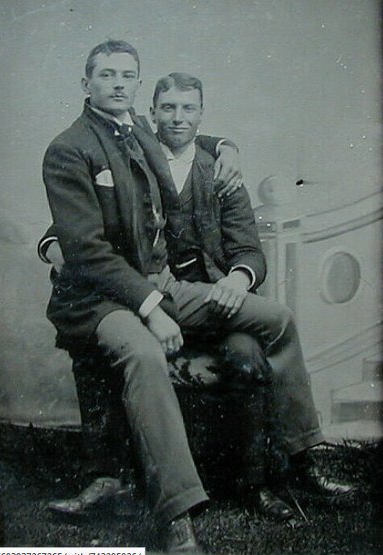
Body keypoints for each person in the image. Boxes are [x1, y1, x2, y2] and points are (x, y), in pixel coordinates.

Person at [41, 41, 354, 552]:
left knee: (276, 318)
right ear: (86, 85)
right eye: (107, 76)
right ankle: (177, 515)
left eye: (128, 75)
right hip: (100, 299)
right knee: (144, 353)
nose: (118, 84)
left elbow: (187, 136)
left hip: (158, 284)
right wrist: (147, 308)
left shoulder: (141, 130)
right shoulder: (69, 147)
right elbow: (85, 244)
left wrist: (228, 146)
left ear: (137, 85)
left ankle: (301, 459)